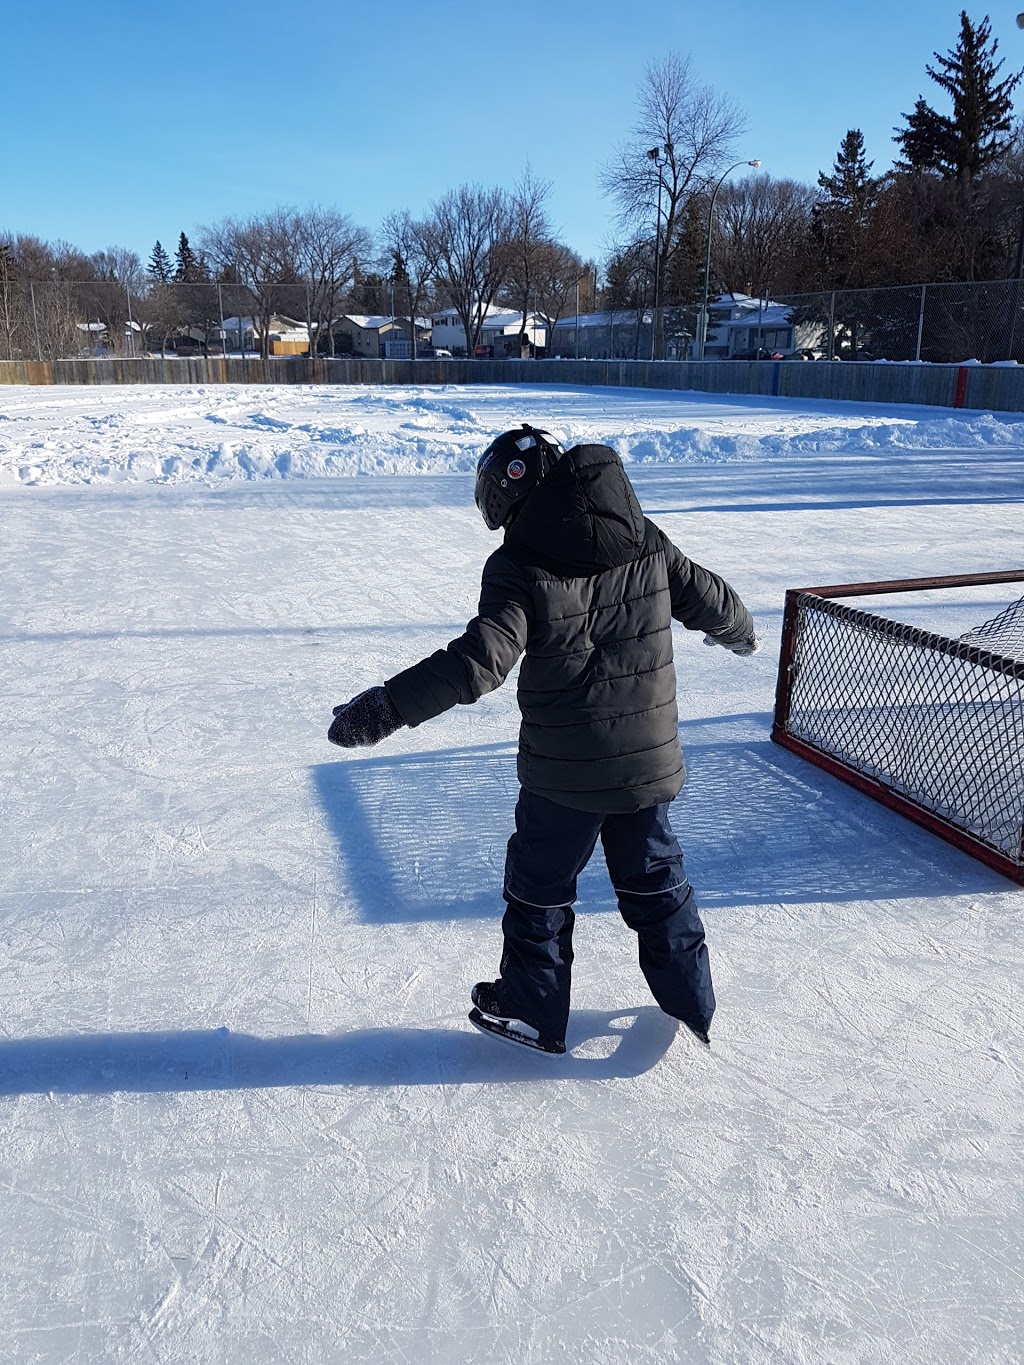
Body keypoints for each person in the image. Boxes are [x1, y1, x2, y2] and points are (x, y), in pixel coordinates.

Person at [328, 425, 758, 1056]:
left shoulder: (518, 565)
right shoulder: (643, 537)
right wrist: (740, 631)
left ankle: (533, 1009)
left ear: (506, 494)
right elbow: (710, 598)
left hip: (566, 773)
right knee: (655, 878)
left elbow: (481, 659)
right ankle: (690, 999)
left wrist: (387, 707)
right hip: (648, 759)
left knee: (540, 883)